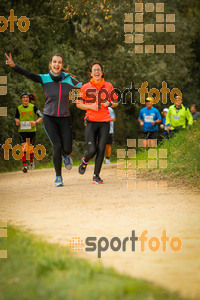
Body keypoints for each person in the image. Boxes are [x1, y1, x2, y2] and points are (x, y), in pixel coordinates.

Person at [5, 52, 82, 186]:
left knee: (68, 149)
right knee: (57, 146)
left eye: (59, 62)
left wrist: (99, 85)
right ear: (51, 64)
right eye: (55, 62)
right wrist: (14, 66)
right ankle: (58, 177)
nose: (57, 64)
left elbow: (85, 86)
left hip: (64, 118)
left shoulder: (69, 79)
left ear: (62, 65)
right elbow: (28, 74)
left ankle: (65, 156)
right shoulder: (44, 78)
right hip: (49, 118)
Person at [76, 61, 118, 184]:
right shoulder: (84, 87)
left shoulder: (109, 86)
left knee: (101, 149)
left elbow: (116, 102)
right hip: (91, 122)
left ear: (102, 72)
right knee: (92, 150)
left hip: (105, 122)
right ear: (91, 73)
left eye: (99, 70)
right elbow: (78, 104)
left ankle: (96, 175)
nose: (97, 72)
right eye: (94, 70)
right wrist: (90, 106)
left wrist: (109, 103)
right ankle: (85, 160)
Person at [15, 92, 43, 172]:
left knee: (30, 148)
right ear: (21, 99)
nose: (25, 99)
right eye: (23, 97)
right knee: (24, 147)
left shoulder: (33, 107)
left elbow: (41, 116)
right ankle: (24, 166)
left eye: (26, 97)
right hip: (22, 130)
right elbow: (16, 118)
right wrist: (17, 121)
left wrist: (36, 122)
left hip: (32, 130)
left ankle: (31, 162)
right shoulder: (19, 108)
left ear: (29, 98)